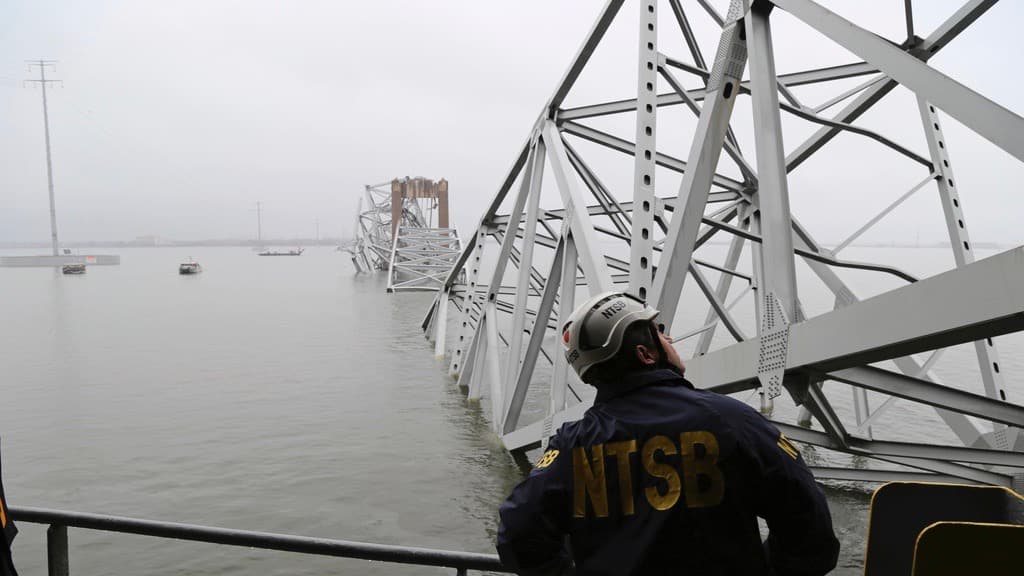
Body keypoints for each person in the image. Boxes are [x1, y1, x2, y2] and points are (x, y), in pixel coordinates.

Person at [496, 291, 839, 575]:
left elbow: (518, 535)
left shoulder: (571, 446)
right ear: (645, 354)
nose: (669, 338)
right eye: (659, 331)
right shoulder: (732, 421)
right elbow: (811, 529)